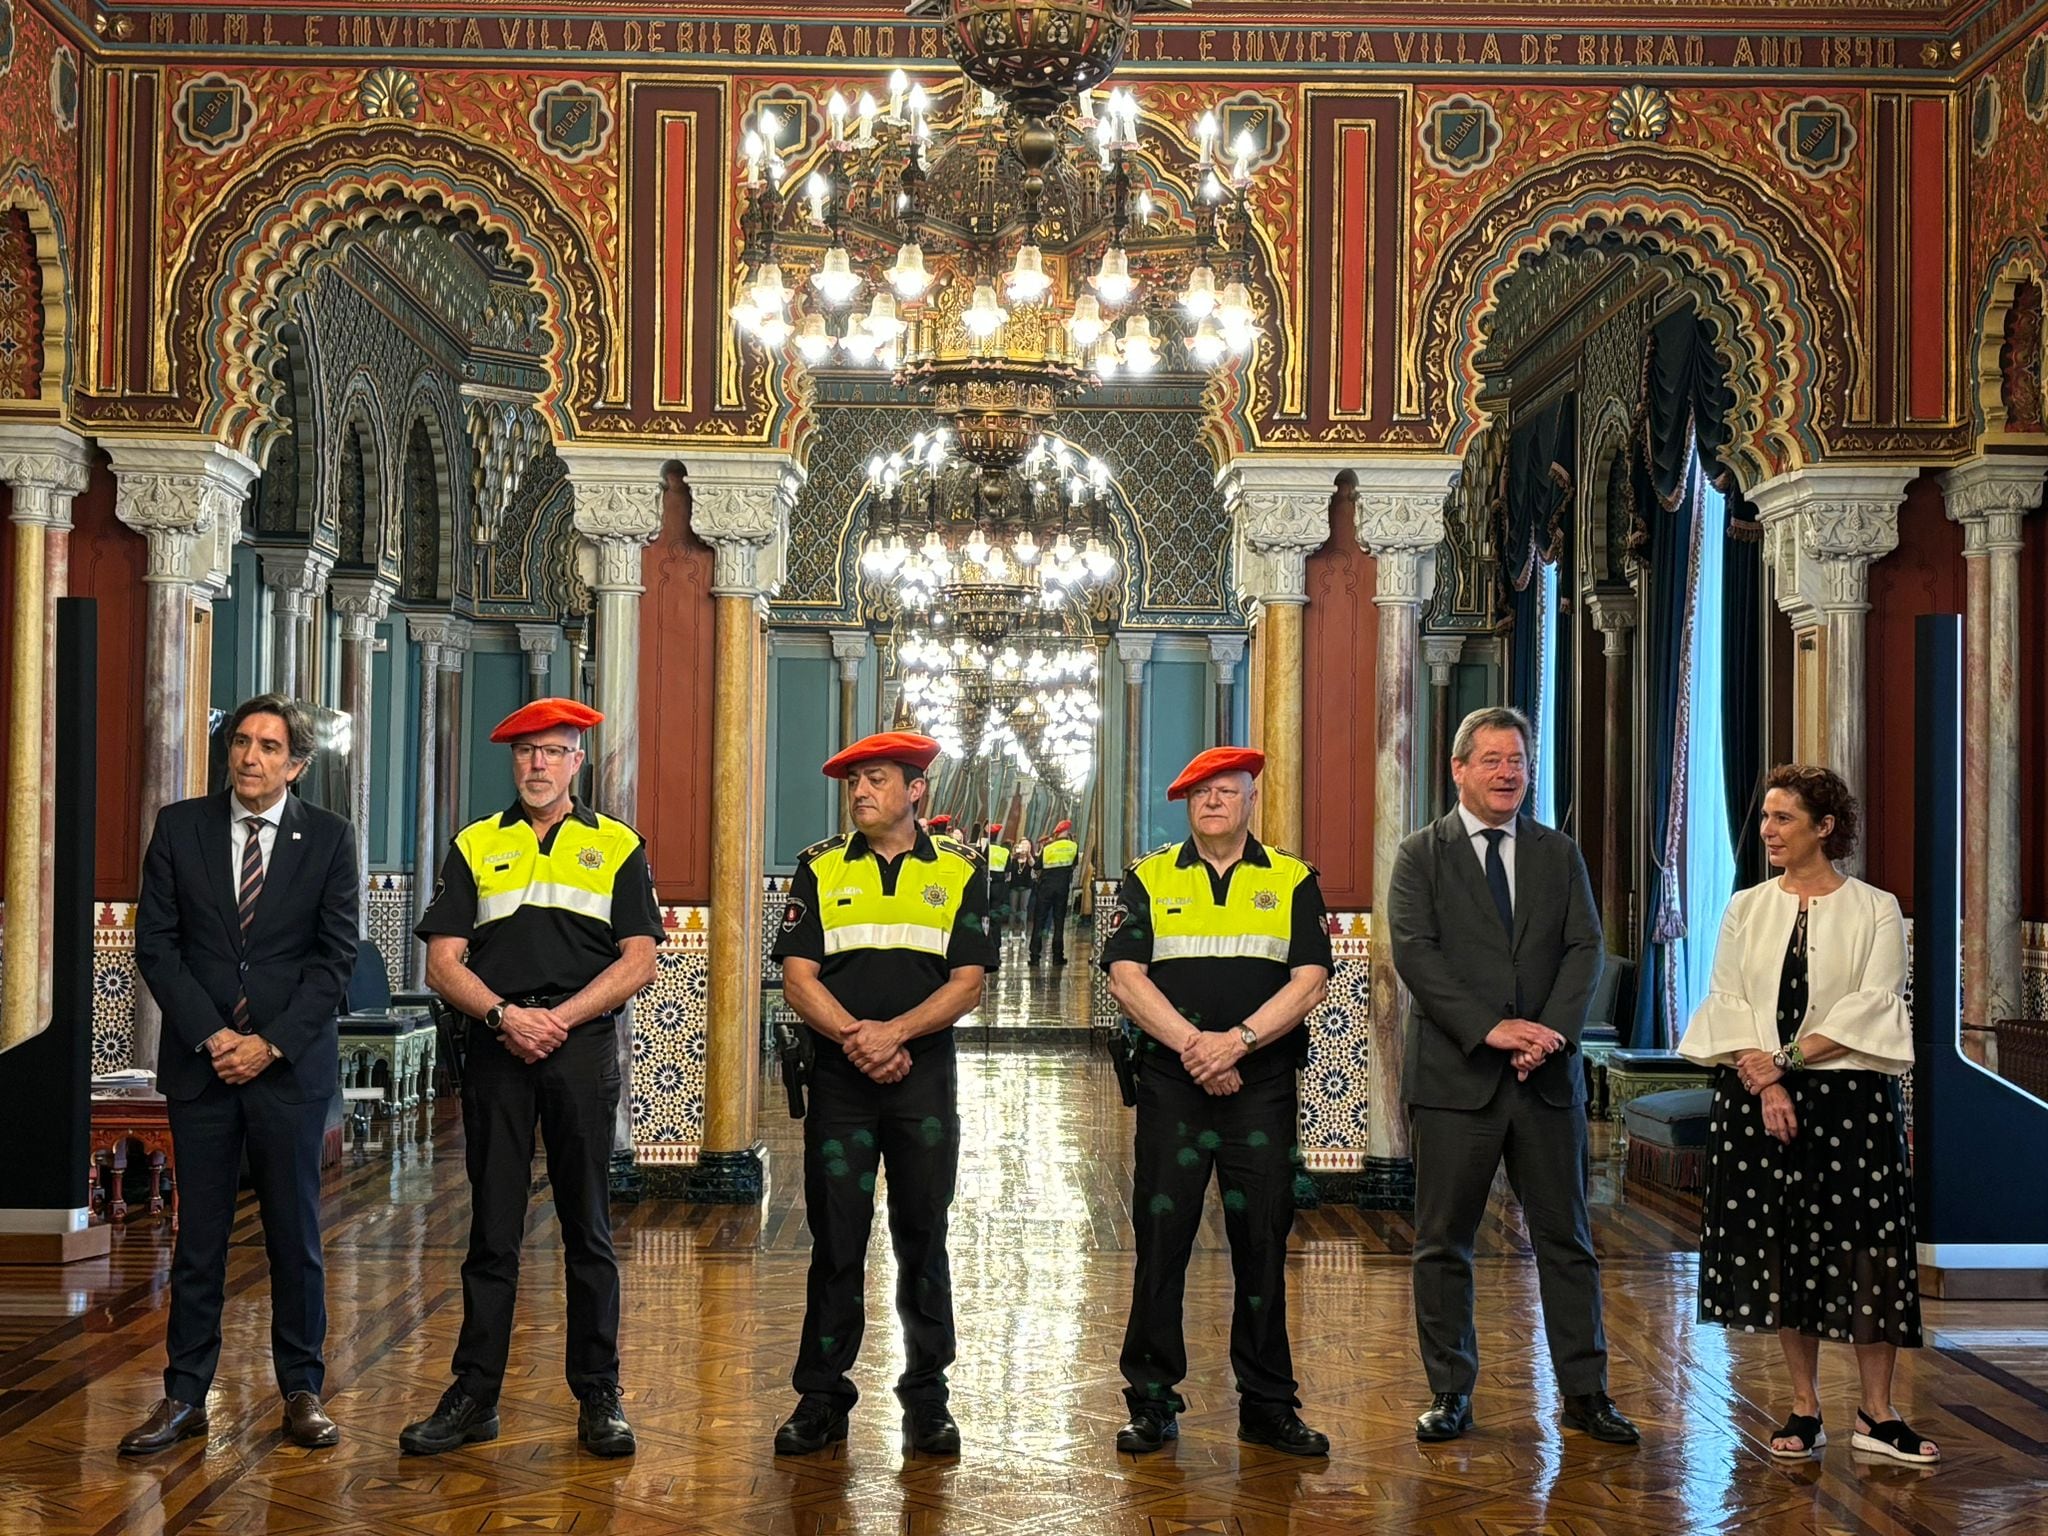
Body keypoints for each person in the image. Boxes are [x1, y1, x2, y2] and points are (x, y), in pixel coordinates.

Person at [401, 698, 663, 1460]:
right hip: (496, 1051)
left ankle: (600, 1394)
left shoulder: (617, 846)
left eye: (552, 751)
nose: (537, 764)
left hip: (580, 1051)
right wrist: (504, 1018)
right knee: (492, 1233)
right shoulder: (476, 845)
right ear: (512, 762)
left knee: (589, 1228)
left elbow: (638, 959)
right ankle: (474, 1395)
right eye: (525, 753)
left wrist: (560, 1019)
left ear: (576, 761)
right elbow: (443, 961)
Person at [1387, 706, 1638, 1447]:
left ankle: (1586, 1395)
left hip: (1546, 1080)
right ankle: (1450, 1392)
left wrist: (1549, 1034)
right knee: (1443, 1244)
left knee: (1568, 1243)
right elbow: (1416, 955)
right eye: (1491, 760)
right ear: (1459, 769)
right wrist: (1490, 1030)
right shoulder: (1419, 855)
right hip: (1454, 1081)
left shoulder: (1559, 853)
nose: (1506, 773)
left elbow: (1584, 946)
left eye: (1517, 761)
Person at [1679, 765, 1936, 1464]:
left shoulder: (1876, 907)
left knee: (1865, 1253)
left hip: (1850, 1105)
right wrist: (1765, 1083)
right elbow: (1728, 1000)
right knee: (1787, 1250)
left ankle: (1877, 1414)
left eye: (1784, 818)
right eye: (1765, 817)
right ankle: (1804, 1407)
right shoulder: (1746, 907)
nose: (1768, 830)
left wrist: (1786, 1060)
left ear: (1825, 828)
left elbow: (1873, 1004)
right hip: (1759, 1101)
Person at [125, 694, 359, 1455]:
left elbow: (334, 962)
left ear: (297, 764)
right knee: (199, 1240)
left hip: (288, 1071)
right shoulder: (179, 826)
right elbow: (157, 946)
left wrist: (270, 1044)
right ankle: (185, 1395)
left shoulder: (328, 838)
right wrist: (216, 1035)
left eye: (268, 746)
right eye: (242, 743)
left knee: (295, 1238)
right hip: (203, 1068)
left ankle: (301, 1391)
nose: (250, 757)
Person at [1102, 747, 1333, 1458]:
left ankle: (1267, 1403)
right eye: (1199, 792)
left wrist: (1236, 1043)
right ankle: (1151, 1401)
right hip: (1173, 1087)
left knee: (1262, 1245)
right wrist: (1195, 1049)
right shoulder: (1148, 877)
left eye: (1226, 792)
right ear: (1185, 804)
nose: (1212, 802)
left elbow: (1312, 978)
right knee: (1160, 1246)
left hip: (1260, 1089)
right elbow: (1123, 975)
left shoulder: (1294, 879)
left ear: (1250, 798)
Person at [770, 731, 994, 1459]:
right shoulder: (820, 868)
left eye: (875, 780)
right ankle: (821, 1397)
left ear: (915, 789)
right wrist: (858, 1040)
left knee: (922, 1235)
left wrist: (894, 1034)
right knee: (836, 1236)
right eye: (854, 783)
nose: (861, 792)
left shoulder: (961, 872)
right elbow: (799, 977)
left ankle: (927, 1400)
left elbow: (969, 982)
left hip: (923, 1077)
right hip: (839, 1078)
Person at [1030, 819, 1079, 965]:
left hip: (1045, 888)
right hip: (1062, 889)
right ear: (1067, 832)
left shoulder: (1048, 847)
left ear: (1057, 833)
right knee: (1059, 923)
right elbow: (1074, 864)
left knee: (1039, 921)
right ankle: (1057, 956)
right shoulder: (1073, 846)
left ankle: (1034, 956)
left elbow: (1037, 866)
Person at [985, 823, 1013, 968]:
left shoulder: (984, 849)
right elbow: (1008, 872)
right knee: (996, 921)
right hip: (999, 887)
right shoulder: (1004, 852)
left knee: (984, 920)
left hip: (985, 886)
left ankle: (984, 953)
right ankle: (996, 954)